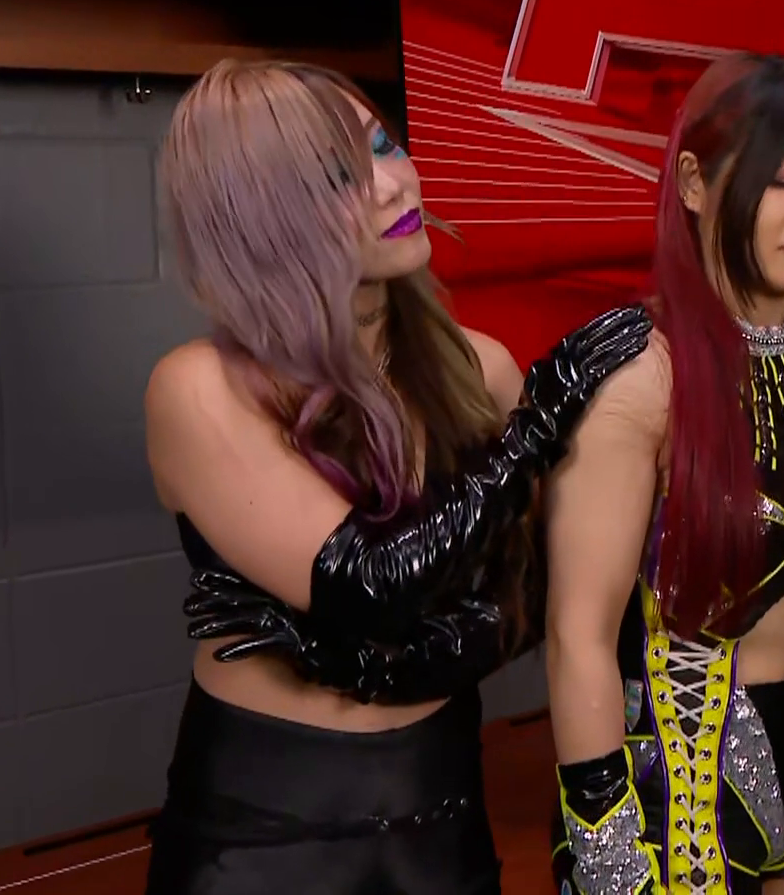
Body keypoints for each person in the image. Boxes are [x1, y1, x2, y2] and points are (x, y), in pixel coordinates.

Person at [142, 59, 649, 894]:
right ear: (261, 218)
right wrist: (536, 431)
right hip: (264, 831)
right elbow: (366, 582)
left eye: (384, 146)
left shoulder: (477, 369)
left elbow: (558, 587)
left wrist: (416, 663)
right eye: (339, 175)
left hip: (439, 805)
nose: (392, 183)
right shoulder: (199, 388)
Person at [543, 53, 784, 894]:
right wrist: (610, 853)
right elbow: (577, 637)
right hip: (676, 805)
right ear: (695, 183)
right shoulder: (646, 381)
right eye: (782, 179)